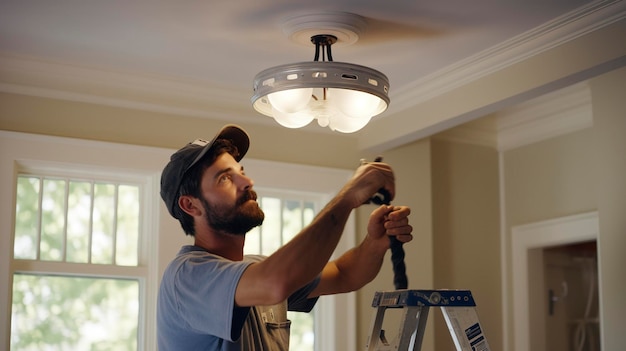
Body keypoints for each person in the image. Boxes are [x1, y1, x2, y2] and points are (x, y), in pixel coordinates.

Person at [157, 124, 413, 350]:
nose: (247, 181)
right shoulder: (186, 277)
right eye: (225, 178)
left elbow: (346, 275)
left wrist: (374, 243)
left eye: (241, 170)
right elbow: (275, 282)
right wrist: (347, 198)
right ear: (191, 205)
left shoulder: (255, 270)